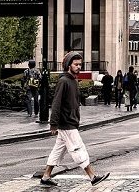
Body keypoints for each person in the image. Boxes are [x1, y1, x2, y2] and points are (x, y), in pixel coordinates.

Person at [40, 51, 109, 187]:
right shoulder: (64, 81)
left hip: (70, 122)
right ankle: (92, 176)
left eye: (80, 64)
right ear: (68, 65)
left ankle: (46, 177)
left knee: (57, 151)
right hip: (66, 123)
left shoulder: (73, 81)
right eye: (76, 64)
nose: (79, 67)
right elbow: (56, 103)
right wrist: (53, 123)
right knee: (78, 148)